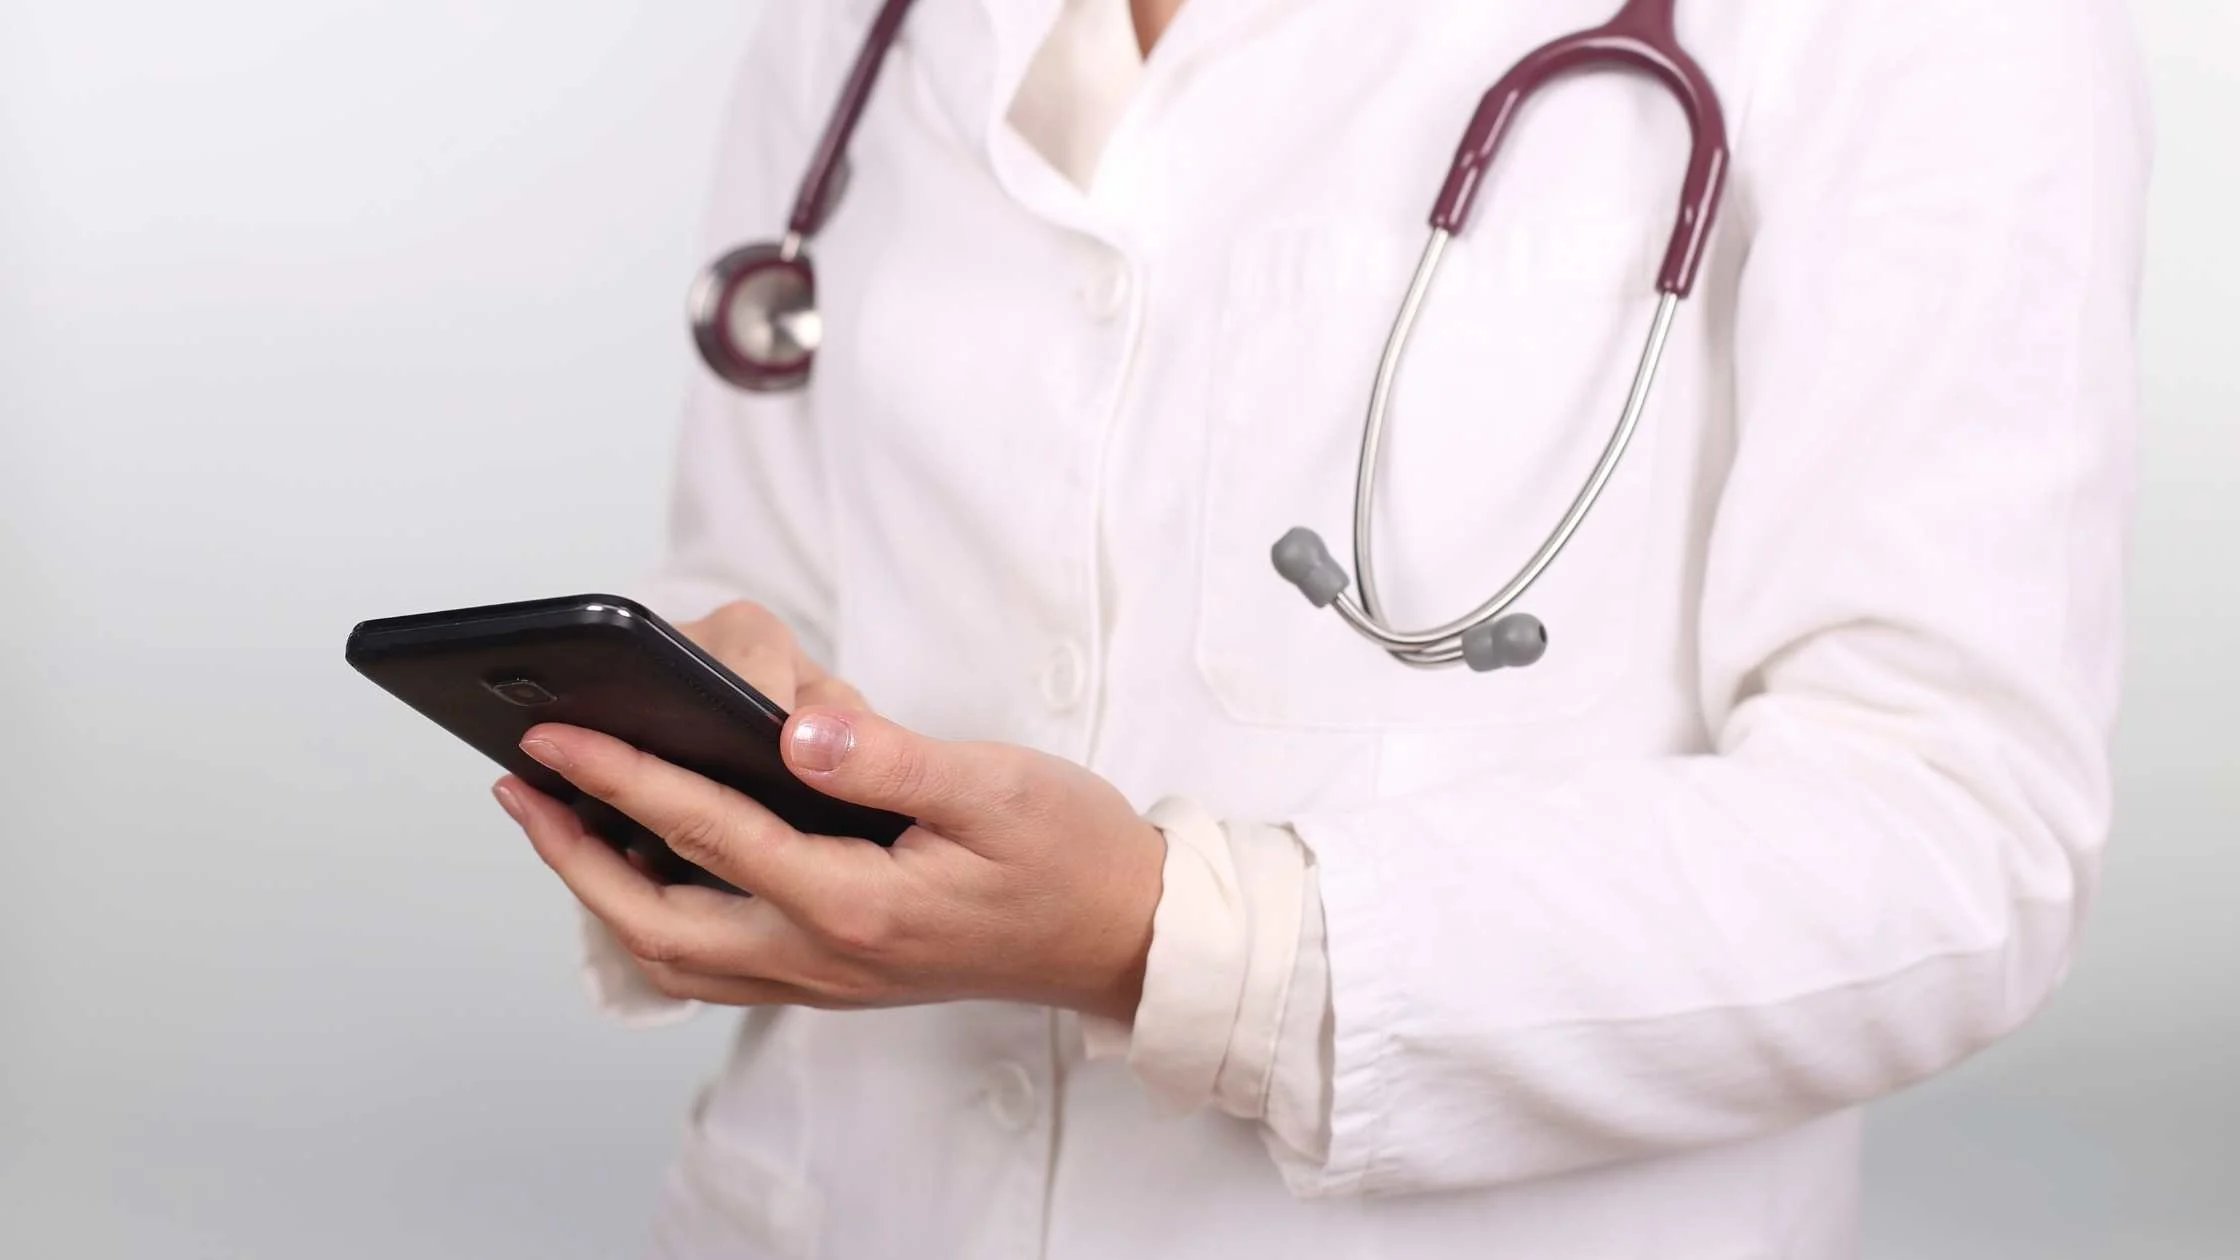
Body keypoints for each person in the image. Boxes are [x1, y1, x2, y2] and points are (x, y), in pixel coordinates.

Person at [484, 0, 2151, 1255]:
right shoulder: (866, 28)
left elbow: (1953, 832)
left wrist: (1179, 939)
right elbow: (778, 582)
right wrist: (724, 778)